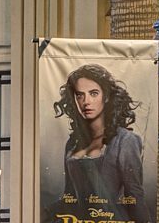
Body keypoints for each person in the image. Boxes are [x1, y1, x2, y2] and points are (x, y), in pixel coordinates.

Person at [53, 63, 146, 209]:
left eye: (94, 93)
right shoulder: (72, 143)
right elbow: (69, 196)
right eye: (80, 95)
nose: (86, 102)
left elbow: (134, 196)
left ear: (106, 96)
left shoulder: (126, 140)